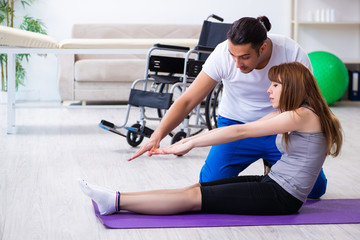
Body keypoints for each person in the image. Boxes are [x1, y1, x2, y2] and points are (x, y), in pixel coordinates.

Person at [79, 62, 343, 216]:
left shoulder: (301, 116)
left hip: (282, 197)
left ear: (293, 88)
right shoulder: (297, 114)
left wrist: (192, 142)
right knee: (195, 190)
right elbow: (245, 126)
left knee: (195, 200)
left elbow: (240, 132)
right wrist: (186, 142)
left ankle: (117, 201)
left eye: (275, 85)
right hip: (272, 183)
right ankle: (114, 198)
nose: (269, 89)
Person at [127, 16, 328, 198]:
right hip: (235, 123)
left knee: (315, 190)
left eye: (245, 57)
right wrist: (157, 135)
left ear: (263, 48)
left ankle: (272, 165)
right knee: (210, 185)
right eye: (233, 55)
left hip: (280, 128)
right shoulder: (223, 54)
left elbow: (310, 102)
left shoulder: (291, 52)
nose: (237, 63)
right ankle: (272, 168)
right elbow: (188, 100)